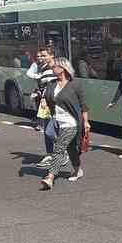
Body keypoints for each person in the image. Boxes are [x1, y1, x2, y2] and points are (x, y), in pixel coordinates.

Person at [40, 58, 90, 190]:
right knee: (71, 148)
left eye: (55, 66)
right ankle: (78, 169)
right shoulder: (52, 84)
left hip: (71, 122)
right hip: (57, 121)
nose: (53, 68)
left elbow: (83, 105)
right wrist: (44, 101)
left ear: (63, 69)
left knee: (58, 148)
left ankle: (50, 177)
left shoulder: (75, 85)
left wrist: (86, 122)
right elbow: (47, 97)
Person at [27, 47, 58, 168]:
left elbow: (56, 85)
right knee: (46, 131)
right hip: (45, 102)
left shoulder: (56, 68)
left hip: (54, 103)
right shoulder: (44, 68)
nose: (41, 58)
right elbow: (44, 85)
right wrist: (38, 92)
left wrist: (46, 96)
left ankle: (63, 150)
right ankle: (50, 154)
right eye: (41, 56)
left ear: (52, 56)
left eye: (44, 56)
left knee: (50, 131)